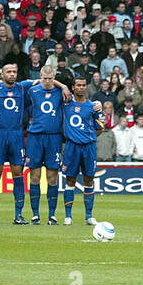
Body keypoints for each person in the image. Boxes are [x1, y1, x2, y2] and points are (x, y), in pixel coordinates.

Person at [24, 59, 69, 224]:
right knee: (34, 176)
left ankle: (52, 215)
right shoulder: (33, 91)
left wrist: (62, 86)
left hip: (54, 137)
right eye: (44, 78)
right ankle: (35, 214)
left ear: (54, 77)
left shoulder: (60, 92)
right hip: (35, 137)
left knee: (52, 177)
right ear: (40, 77)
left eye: (50, 79)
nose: (47, 82)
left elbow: (69, 94)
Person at [0, 62, 32, 224]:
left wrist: (62, 87)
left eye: (14, 71)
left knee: (18, 173)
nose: (12, 74)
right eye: (9, 72)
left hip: (16, 134)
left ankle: (18, 215)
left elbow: (43, 80)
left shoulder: (22, 87)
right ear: (2, 74)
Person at [60, 70, 103, 226]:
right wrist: (63, 87)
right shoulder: (66, 103)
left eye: (84, 85)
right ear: (73, 87)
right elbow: (52, 83)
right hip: (71, 147)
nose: (81, 88)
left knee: (89, 180)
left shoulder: (93, 106)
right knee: (70, 180)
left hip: (88, 147)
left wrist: (87, 138)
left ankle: (89, 216)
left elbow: (100, 127)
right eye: (78, 85)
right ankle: (68, 216)